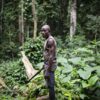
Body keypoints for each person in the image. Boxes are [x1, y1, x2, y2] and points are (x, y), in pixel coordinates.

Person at [41, 24, 57, 100]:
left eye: (44, 30)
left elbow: (51, 56)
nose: (42, 32)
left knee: (51, 84)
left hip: (50, 65)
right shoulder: (47, 40)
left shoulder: (50, 40)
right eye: (41, 30)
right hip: (47, 64)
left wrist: (47, 70)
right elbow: (47, 54)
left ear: (49, 31)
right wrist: (44, 64)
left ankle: (52, 98)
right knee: (48, 83)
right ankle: (50, 97)